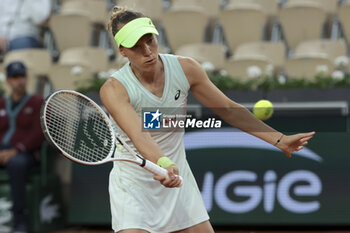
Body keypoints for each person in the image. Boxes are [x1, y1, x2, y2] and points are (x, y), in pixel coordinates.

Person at [100, 6, 315, 233]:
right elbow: (138, 135)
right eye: (136, 46)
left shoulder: (186, 69)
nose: (148, 51)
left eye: (150, 41)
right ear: (123, 51)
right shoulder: (114, 89)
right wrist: (163, 163)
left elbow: (229, 110)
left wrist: (279, 140)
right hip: (134, 185)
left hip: (177, 176)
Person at [0, 61, 45, 233]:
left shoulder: (37, 102)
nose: (19, 81)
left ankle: (19, 222)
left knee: (16, 164)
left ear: (27, 78)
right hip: (2, 151)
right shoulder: (2, 103)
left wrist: (16, 149)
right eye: (15, 77)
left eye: (22, 76)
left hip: (26, 153)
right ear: (8, 81)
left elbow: (38, 133)